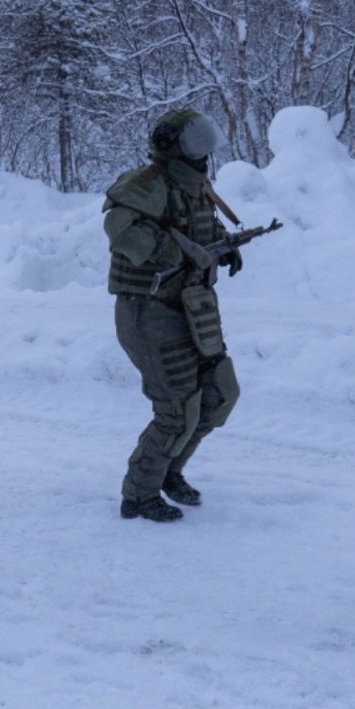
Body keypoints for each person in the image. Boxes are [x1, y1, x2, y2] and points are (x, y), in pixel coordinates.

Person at [103, 108, 244, 523]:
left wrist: (224, 245)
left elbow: (200, 229)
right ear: (172, 147)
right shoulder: (146, 184)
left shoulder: (193, 187)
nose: (204, 154)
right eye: (194, 144)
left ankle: (168, 472)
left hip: (191, 306)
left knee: (219, 393)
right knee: (178, 407)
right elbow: (120, 228)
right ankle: (138, 495)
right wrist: (172, 251)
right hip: (148, 311)